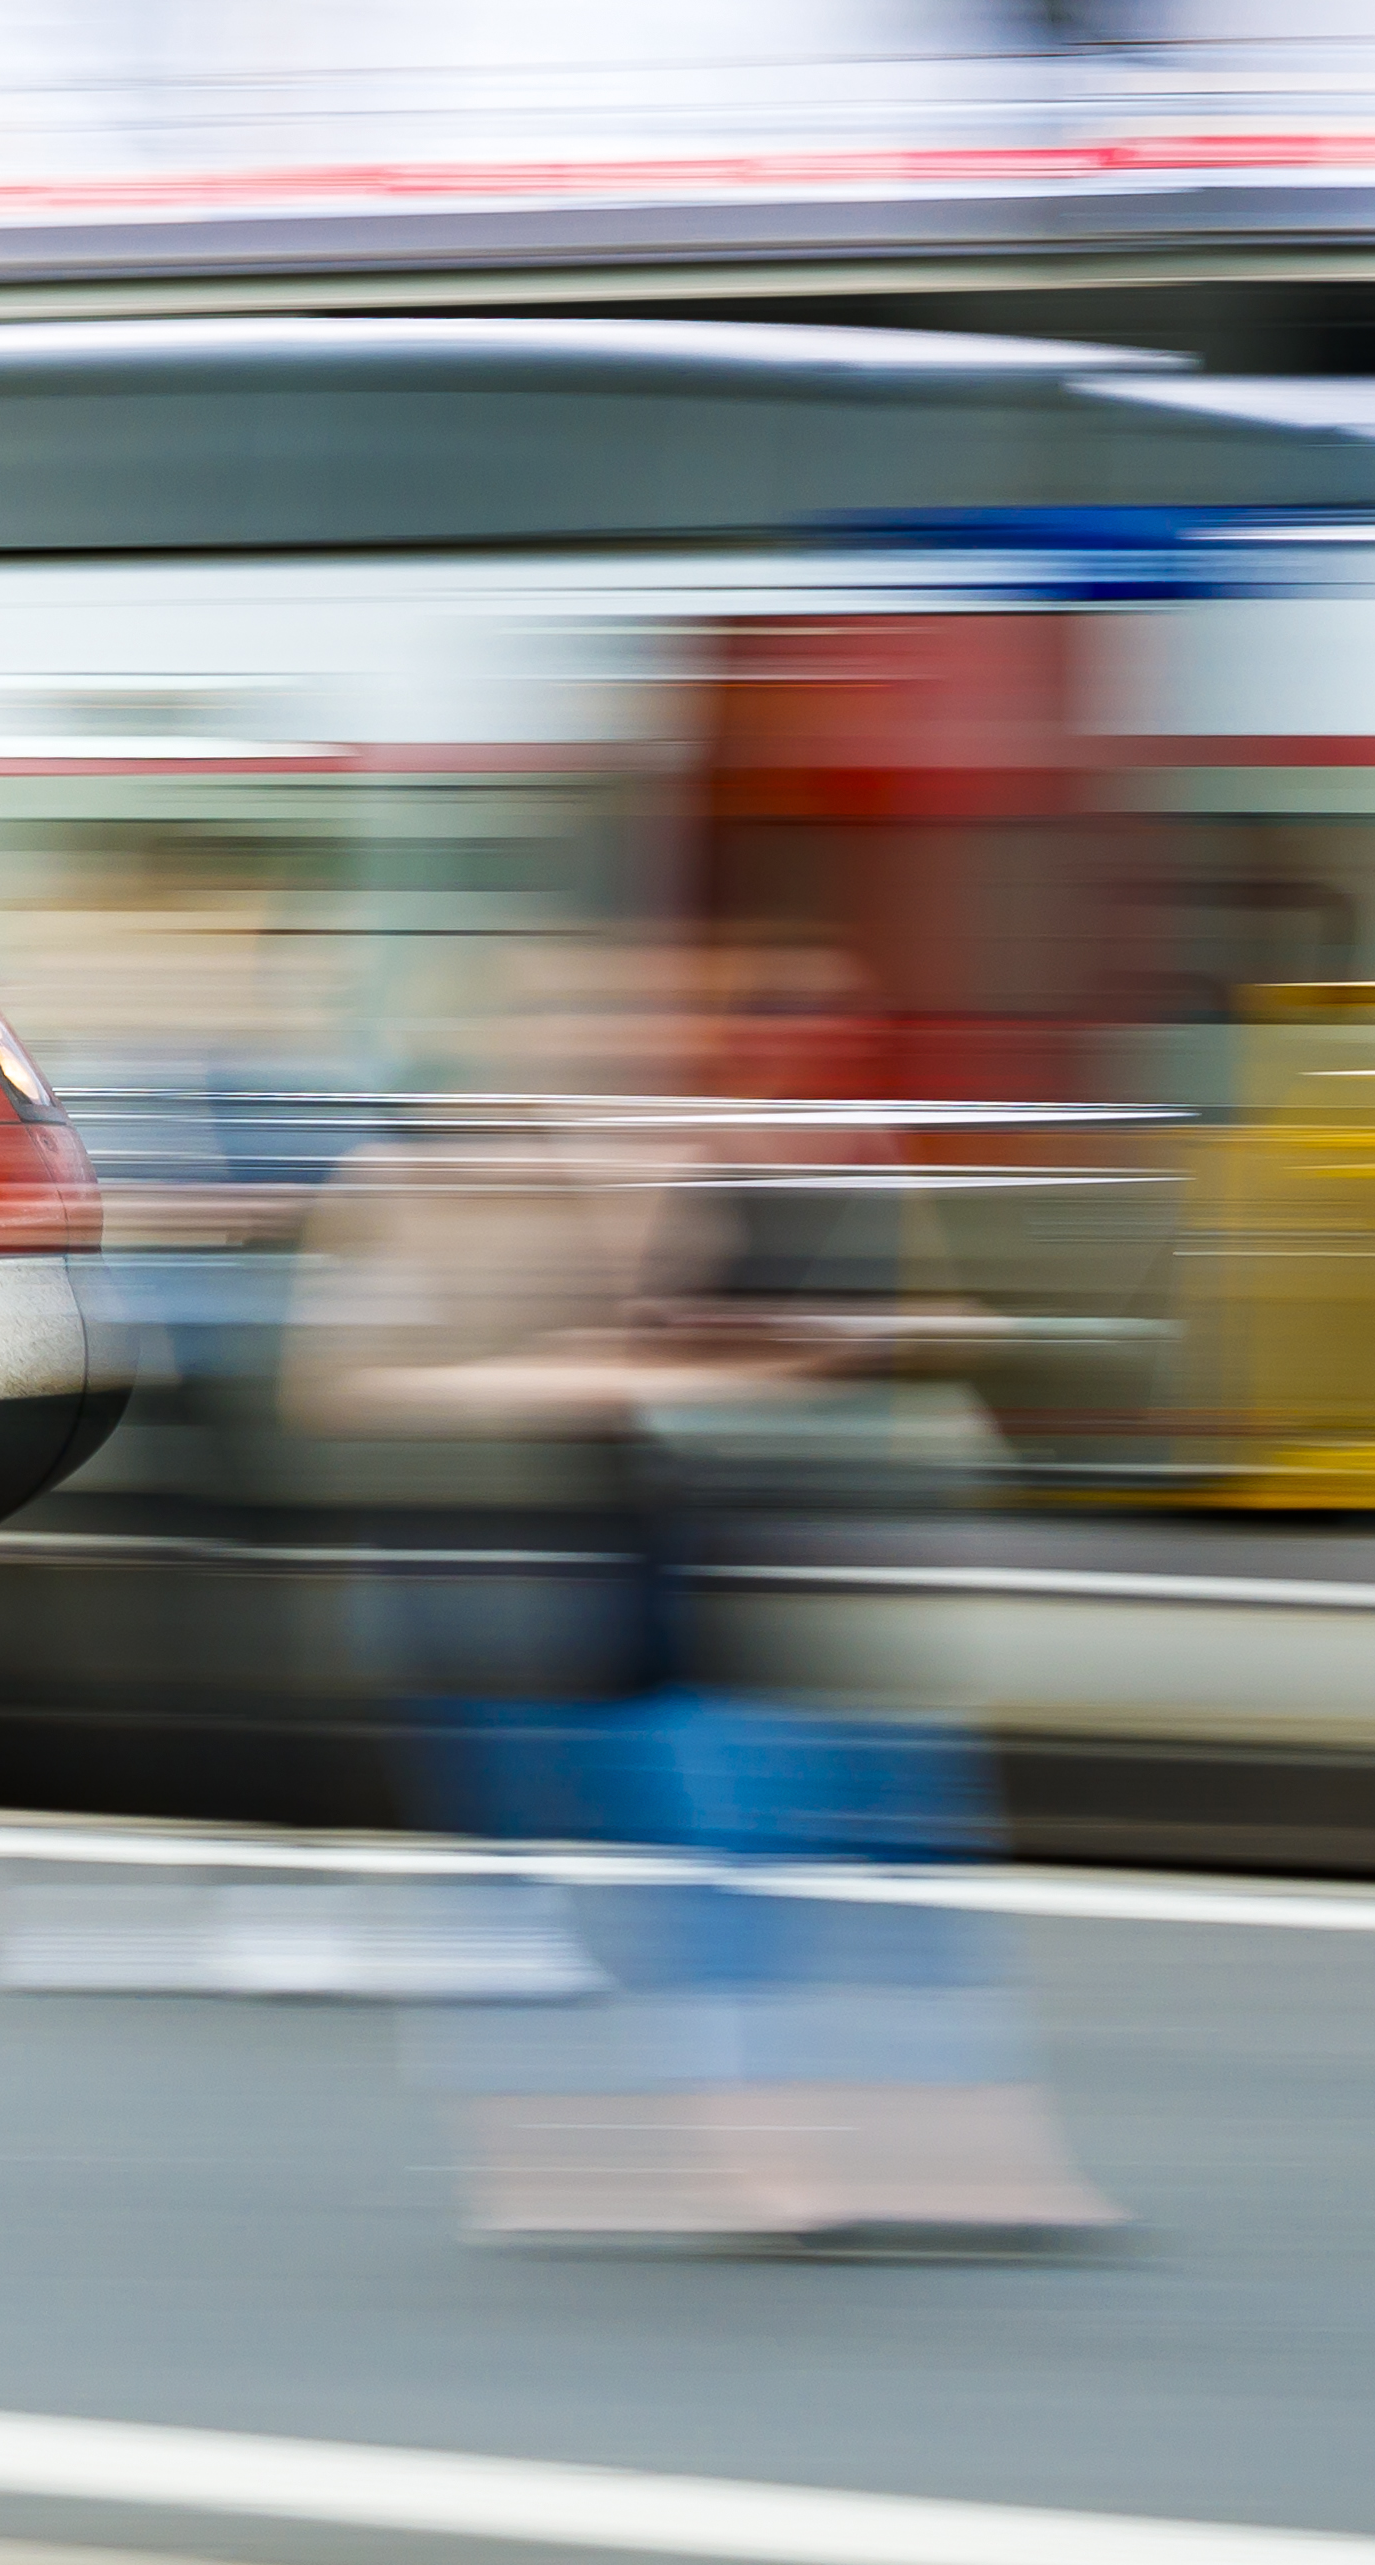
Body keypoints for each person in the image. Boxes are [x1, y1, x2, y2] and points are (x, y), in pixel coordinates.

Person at [286, 927, 1113, 2246]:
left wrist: (834, 1337)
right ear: (497, 1032)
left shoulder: (718, 1154)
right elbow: (341, 1386)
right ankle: (600, 2164)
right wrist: (616, 1374)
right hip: (488, 1572)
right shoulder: (417, 1175)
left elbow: (898, 1318)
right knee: (548, 1888)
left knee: (810, 1860)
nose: (609, 1037)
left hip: (675, 1561)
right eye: (571, 1011)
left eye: (628, 1013)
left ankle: (942, 2149)